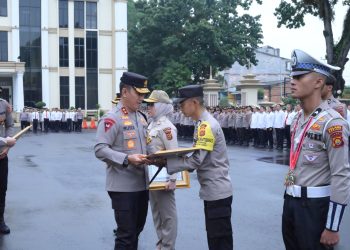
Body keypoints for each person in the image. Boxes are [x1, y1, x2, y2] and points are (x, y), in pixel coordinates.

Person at [282, 49, 350, 250]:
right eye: (292, 76)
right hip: (291, 202)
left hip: (315, 208)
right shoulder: (298, 119)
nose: (293, 81)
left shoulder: (333, 123)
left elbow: (341, 174)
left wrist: (332, 226)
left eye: (299, 76)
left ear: (319, 82)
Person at [163, 85, 233, 250]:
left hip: (217, 192)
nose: (179, 107)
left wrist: (166, 163)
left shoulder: (206, 126)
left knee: (219, 242)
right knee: (216, 239)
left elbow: (195, 161)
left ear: (194, 102)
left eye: (182, 103)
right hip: (213, 192)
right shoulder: (202, 123)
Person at [94, 72, 151, 250]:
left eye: (143, 94)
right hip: (122, 187)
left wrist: (159, 157)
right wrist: (127, 159)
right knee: (126, 236)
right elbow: (100, 149)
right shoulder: (112, 118)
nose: (142, 98)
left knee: (136, 230)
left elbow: (147, 146)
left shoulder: (141, 117)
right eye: (139, 94)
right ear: (125, 92)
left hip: (142, 185)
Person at [144, 90, 178, 250]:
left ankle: (168, 246)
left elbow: (174, 154)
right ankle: (161, 244)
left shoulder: (167, 128)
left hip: (163, 176)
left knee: (168, 216)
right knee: (157, 214)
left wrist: (172, 179)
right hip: (151, 175)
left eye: (151, 104)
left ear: (161, 106)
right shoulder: (151, 124)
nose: (148, 107)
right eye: (148, 104)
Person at [0, 94, 16, 234]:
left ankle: (0, 220)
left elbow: (10, 125)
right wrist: (5, 142)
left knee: (1, 189)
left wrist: (7, 145)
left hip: (1, 155)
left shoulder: (4, 104)